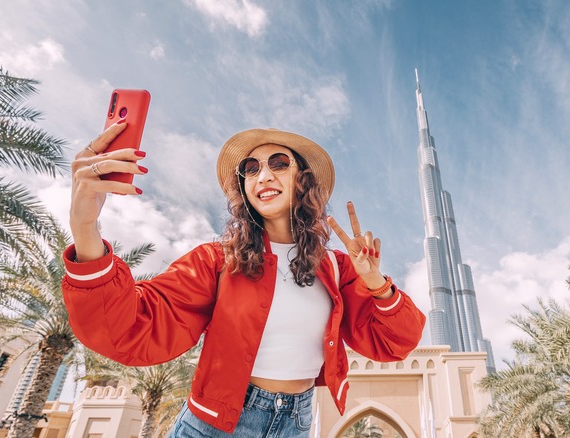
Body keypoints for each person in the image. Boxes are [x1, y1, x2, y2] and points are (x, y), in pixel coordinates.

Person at [62, 124, 426, 437]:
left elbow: (395, 342)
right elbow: (129, 326)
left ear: (303, 179)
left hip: (296, 422)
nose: (263, 175)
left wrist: (377, 283)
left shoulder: (338, 268)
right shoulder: (217, 261)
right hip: (214, 425)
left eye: (279, 164)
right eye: (251, 169)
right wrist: (85, 227)